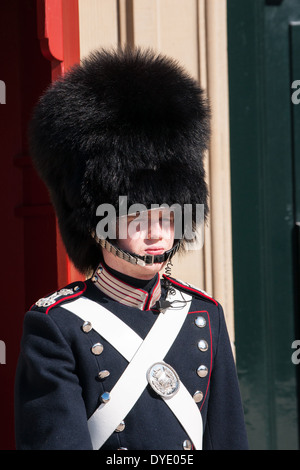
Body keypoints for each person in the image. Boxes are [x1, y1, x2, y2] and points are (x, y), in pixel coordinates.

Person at [14, 47, 248, 450]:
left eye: (168, 217)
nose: (157, 234)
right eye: (137, 219)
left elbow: (228, 438)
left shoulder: (204, 315)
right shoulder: (56, 324)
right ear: (98, 225)